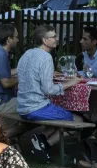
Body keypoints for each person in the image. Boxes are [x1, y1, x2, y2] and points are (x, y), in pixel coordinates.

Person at [17, 25, 84, 158]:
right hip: (35, 108)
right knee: (79, 120)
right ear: (44, 40)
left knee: (58, 115)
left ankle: (39, 139)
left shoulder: (27, 54)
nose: (57, 39)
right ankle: (45, 145)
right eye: (53, 36)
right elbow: (48, 90)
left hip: (22, 107)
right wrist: (70, 83)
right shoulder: (45, 57)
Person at [0, 23, 27, 139]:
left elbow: (4, 73)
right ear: (8, 40)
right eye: (16, 37)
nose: (18, 39)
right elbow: (6, 83)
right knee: (33, 105)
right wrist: (23, 77)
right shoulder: (1, 55)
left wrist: (22, 70)